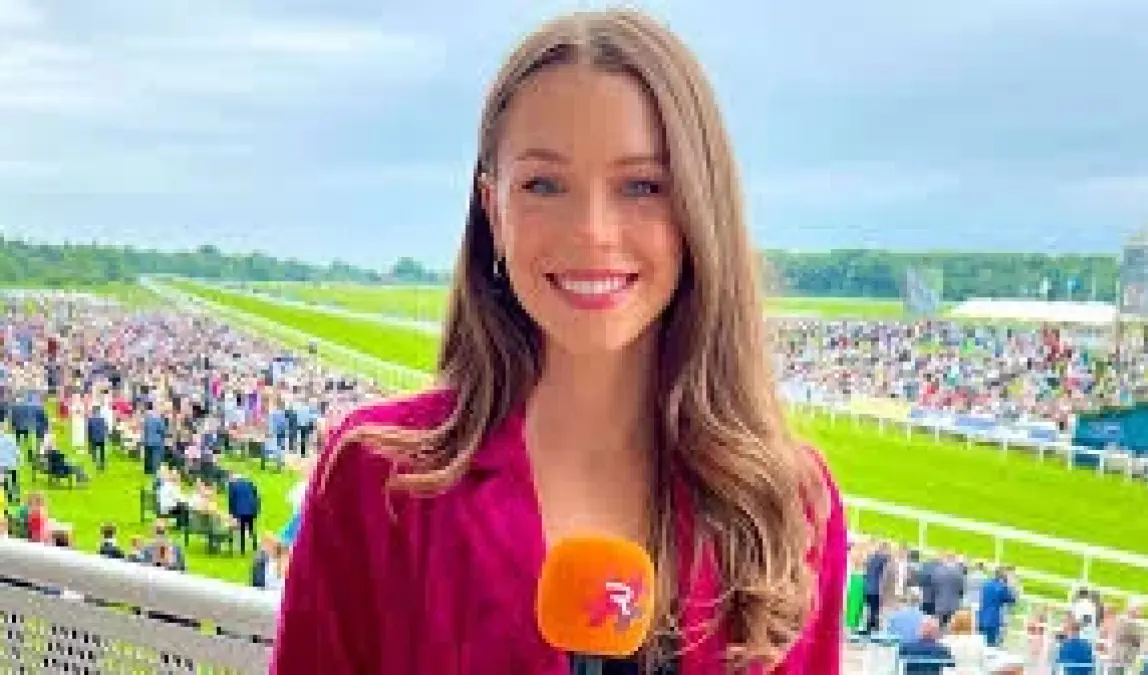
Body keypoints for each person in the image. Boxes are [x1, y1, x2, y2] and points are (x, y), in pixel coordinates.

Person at [273, 8, 846, 674]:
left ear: (700, 207)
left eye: (642, 186)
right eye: (544, 184)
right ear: (493, 210)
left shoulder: (792, 505)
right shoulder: (376, 475)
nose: (592, 230)